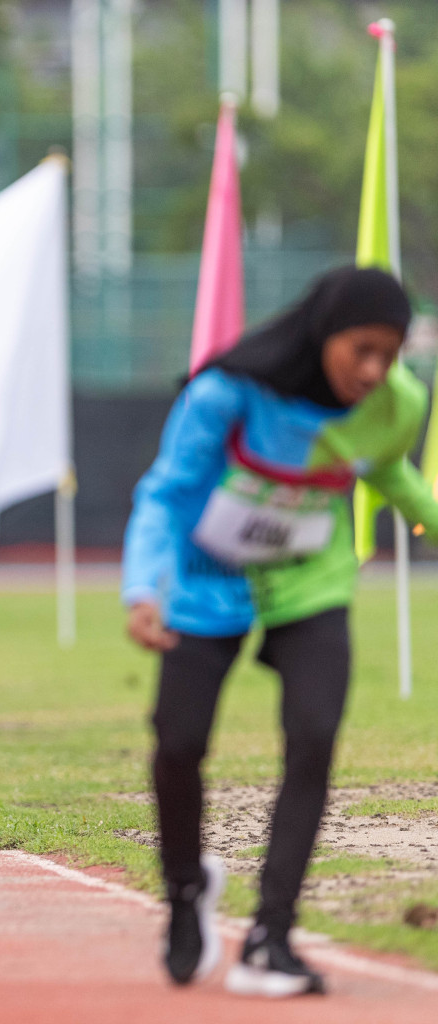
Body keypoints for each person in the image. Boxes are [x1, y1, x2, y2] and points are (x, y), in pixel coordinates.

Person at [122, 266, 438, 997]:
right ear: (324, 333)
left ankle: (272, 934)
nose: (374, 371)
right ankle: (185, 889)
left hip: (309, 584)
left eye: (389, 355)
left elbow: (395, 477)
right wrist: (145, 589)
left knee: (314, 736)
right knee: (178, 744)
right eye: (361, 349)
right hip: (209, 579)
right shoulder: (228, 394)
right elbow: (165, 493)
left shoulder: (395, 405)